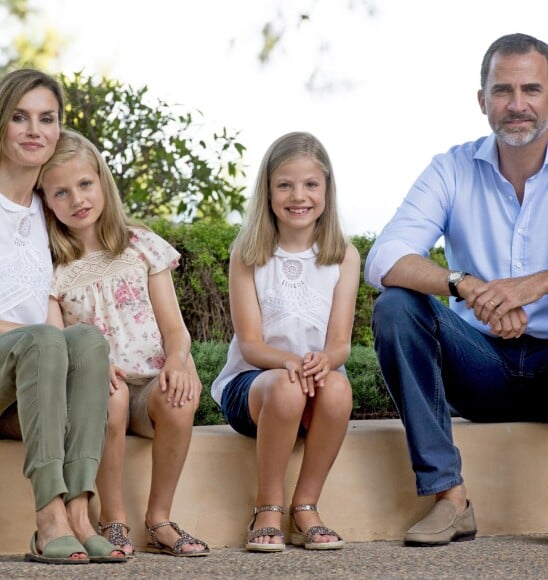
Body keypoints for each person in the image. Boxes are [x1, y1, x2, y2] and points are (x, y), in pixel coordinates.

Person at [364, 33, 548, 547]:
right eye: (503, 90)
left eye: (532, 89)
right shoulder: (451, 168)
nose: (517, 105)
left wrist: (529, 288)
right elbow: (384, 258)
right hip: (479, 363)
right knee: (397, 306)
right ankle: (450, 499)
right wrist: (467, 287)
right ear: (482, 100)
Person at [0, 70, 126, 564]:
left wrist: (86, 365)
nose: (34, 129)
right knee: (45, 340)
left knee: (88, 342)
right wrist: (33, 337)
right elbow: (32, 334)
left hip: (24, 389)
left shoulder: (45, 205)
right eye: (20, 117)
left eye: (47, 118)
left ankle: (80, 512)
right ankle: (48, 519)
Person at [38, 129, 210, 557]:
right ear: (44, 200)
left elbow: (174, 327)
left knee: (178, 396)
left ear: (102, 182)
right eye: (61, 192)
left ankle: (160, 520)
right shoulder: (50, 265)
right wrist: (89, 369)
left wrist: (177, 360)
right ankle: (113, 519)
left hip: (150, 381)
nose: (77, 199)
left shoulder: (140, 245)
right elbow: (56, 340)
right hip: (101, 385)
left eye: (84, 185)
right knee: (109, 396)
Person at [211, 131, 360, 552]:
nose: (299, 196)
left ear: (327, 190)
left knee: (337, 387)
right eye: (285, 185)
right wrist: (291, 363)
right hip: (254, 387)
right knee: (286, 384)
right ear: (268, 191)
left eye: (311, 184)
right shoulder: (249, 253)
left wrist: (323, 361)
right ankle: (267, 507)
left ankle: (306, 506)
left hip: (311, 386)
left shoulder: (342, 256)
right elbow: (252, 344)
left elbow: (340, 344)